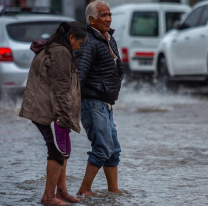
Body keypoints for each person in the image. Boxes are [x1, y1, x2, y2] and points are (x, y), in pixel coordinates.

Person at [19, 21, 87, 206]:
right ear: (71, 37)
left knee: (63, 151)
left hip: (50, 109)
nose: (79, 47)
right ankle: (48, 198)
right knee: (57, 152)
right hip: (51, 112)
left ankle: (61, 192)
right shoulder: (61, 53)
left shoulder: (55, 48)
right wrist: (63, 117)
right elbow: (60, 89)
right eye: (79, 43)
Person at [75, 0, 124, 196]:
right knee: (103, 148)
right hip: (92, 102)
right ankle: (84, 190)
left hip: (106, 104)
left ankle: (114, 191)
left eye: (109, 15)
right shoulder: (88, 41)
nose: (108, 19)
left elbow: (117, 68)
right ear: (91, 20)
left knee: (114, 151)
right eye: (103, 15)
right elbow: (80, 73)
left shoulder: (109, 39)